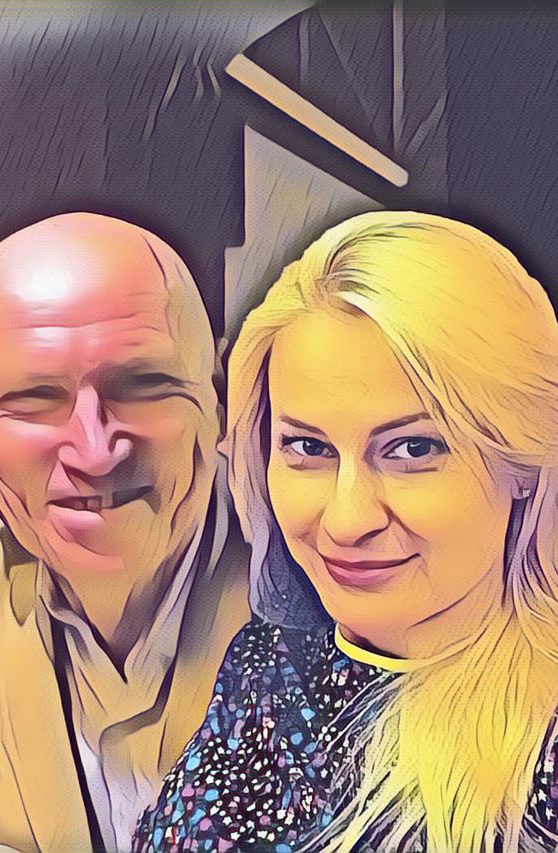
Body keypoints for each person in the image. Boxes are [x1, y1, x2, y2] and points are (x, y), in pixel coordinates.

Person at [134, 211, 558, 852]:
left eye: (414, 448)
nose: (346, 519)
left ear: (523, 463)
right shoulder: (264, 663)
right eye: (307, 446)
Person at [0, 212, 250, 852]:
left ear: (216, 399)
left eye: (144, 385)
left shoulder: (319, 588)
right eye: (32, 397)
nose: (95, 452)